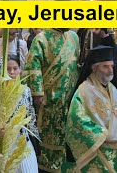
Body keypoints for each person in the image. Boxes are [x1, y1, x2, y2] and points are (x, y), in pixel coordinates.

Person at [64, 45, 117, 172]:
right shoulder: (84, 90)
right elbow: (75, 119)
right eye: (105, 66)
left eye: (111, 66)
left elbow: (114, 111)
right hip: (98, 148)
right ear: (94, 68)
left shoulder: (112, 88)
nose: (110, 70)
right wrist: (100, 134)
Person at [23, 28, 79, 172]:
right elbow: (32, 66)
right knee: (49, 135)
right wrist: (38, 93)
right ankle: (47, 166)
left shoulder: (73, 37)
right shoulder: (41, 39)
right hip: (49, 99)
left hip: (71, 98)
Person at [0, 54, 39, 172]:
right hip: (3, 143)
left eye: (15, 68)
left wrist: (35, 140)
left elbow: (31, 117)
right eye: (8, 69)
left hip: (22, 140)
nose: (12, 72)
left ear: (20, 69)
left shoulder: (25, 91)